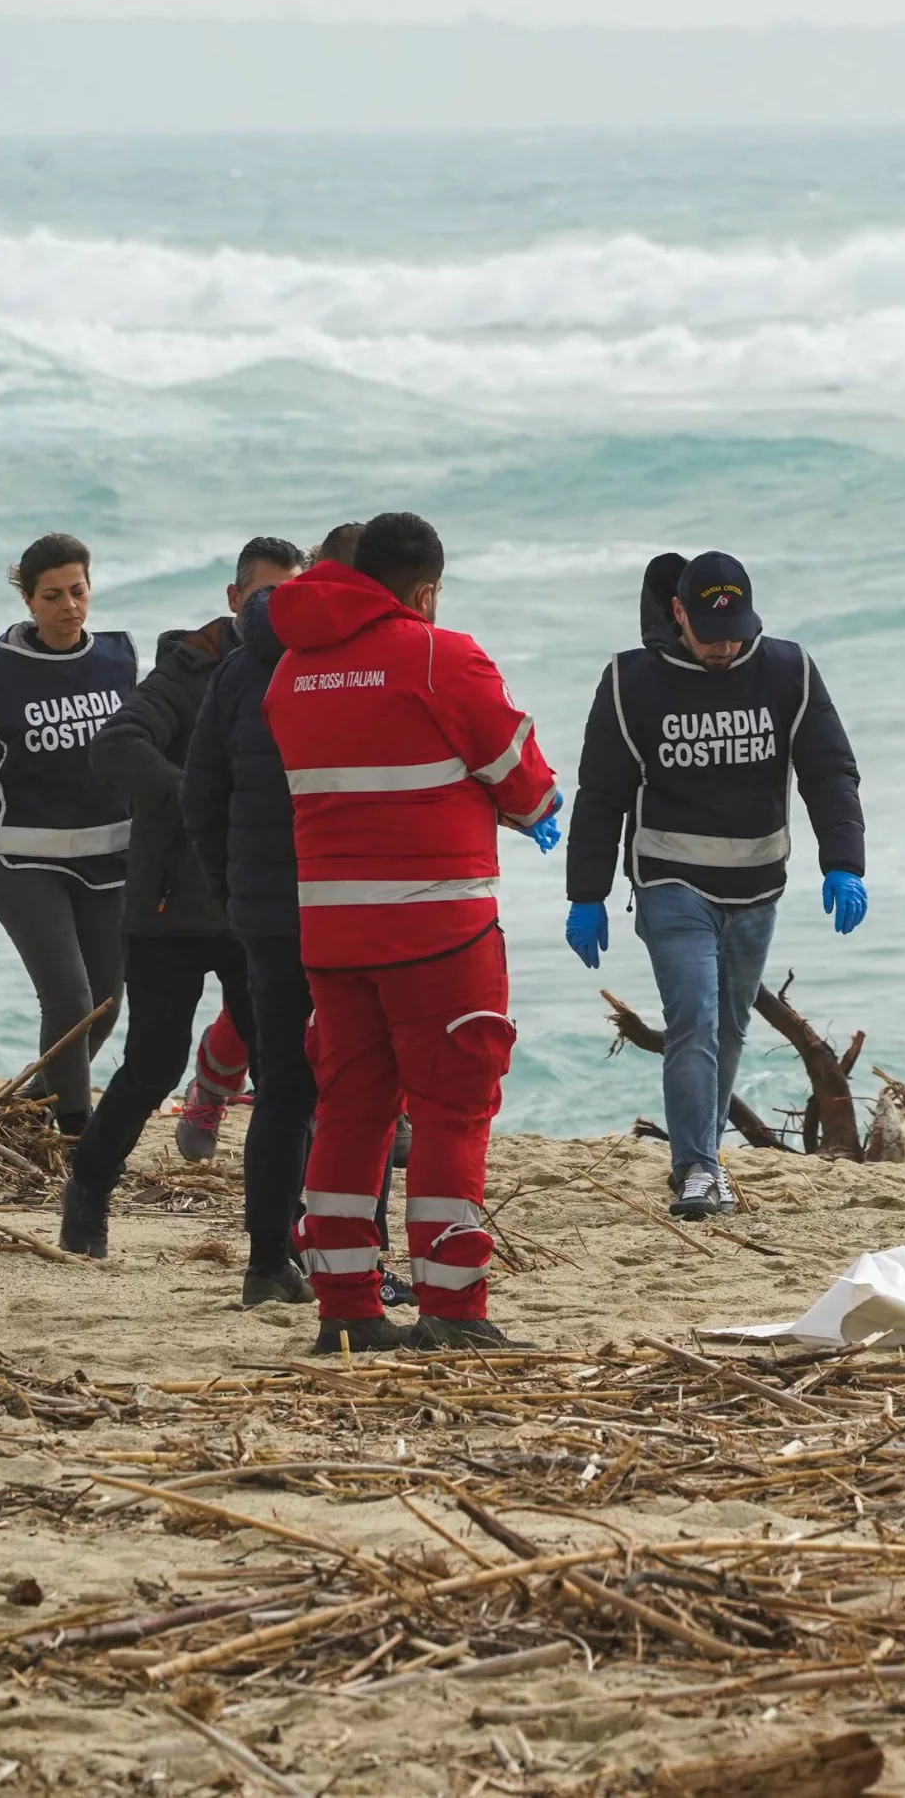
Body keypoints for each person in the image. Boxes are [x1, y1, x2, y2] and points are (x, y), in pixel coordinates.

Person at [262, 511, 561, 1353]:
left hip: (330, 926)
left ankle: (347, 1305)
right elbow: (525, 784)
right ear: (425, 589)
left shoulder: (291, 671)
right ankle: (453, 1308)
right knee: (453, 1112)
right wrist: (528, 806)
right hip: (440, 926)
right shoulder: (441, 654)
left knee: (351, 1111)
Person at [562, 551, 866, 1218]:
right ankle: (698, 1168)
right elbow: (601, 793)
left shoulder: (788, 670)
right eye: (709, 634)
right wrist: (586, 892)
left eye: (735, 632)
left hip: (757, 884)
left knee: (727, 1027)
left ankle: (703, 1155)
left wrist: (844, 860)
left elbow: (829, 770)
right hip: (670, 879)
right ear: (678, 613)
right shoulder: (631, 681)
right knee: (693, 1015)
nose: (725, 647)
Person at [183, 524, 417, 1311]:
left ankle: (265, 1264)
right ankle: (355, 1261)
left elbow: (199, 793)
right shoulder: (377, 659)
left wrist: (234, 888)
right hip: (355, 907)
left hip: (269, 913)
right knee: (364, 1090)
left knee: (284, 1087)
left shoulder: (244, 664)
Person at [55, 536, 305, 1259]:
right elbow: (113, 745)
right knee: (154, 1064)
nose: (275, 613)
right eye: (264, 598)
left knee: (281, 1071)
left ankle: (281, 1233)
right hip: (166, 908)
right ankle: (89, 1190)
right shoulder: (189, 668)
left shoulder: (305, 670)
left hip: (251, 905)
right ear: (234, 600)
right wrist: (193, 792)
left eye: (291, 598)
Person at [0, 533, 136, 1135]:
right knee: (68, 999)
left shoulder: (119, 659)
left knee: (106, 1004)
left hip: (109, 857)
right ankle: (74, 1129)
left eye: (78, 590)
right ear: (28, 600)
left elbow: (140, 759)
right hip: (22, 860)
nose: (69, 605)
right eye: (53, 595)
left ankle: (34, 1101)